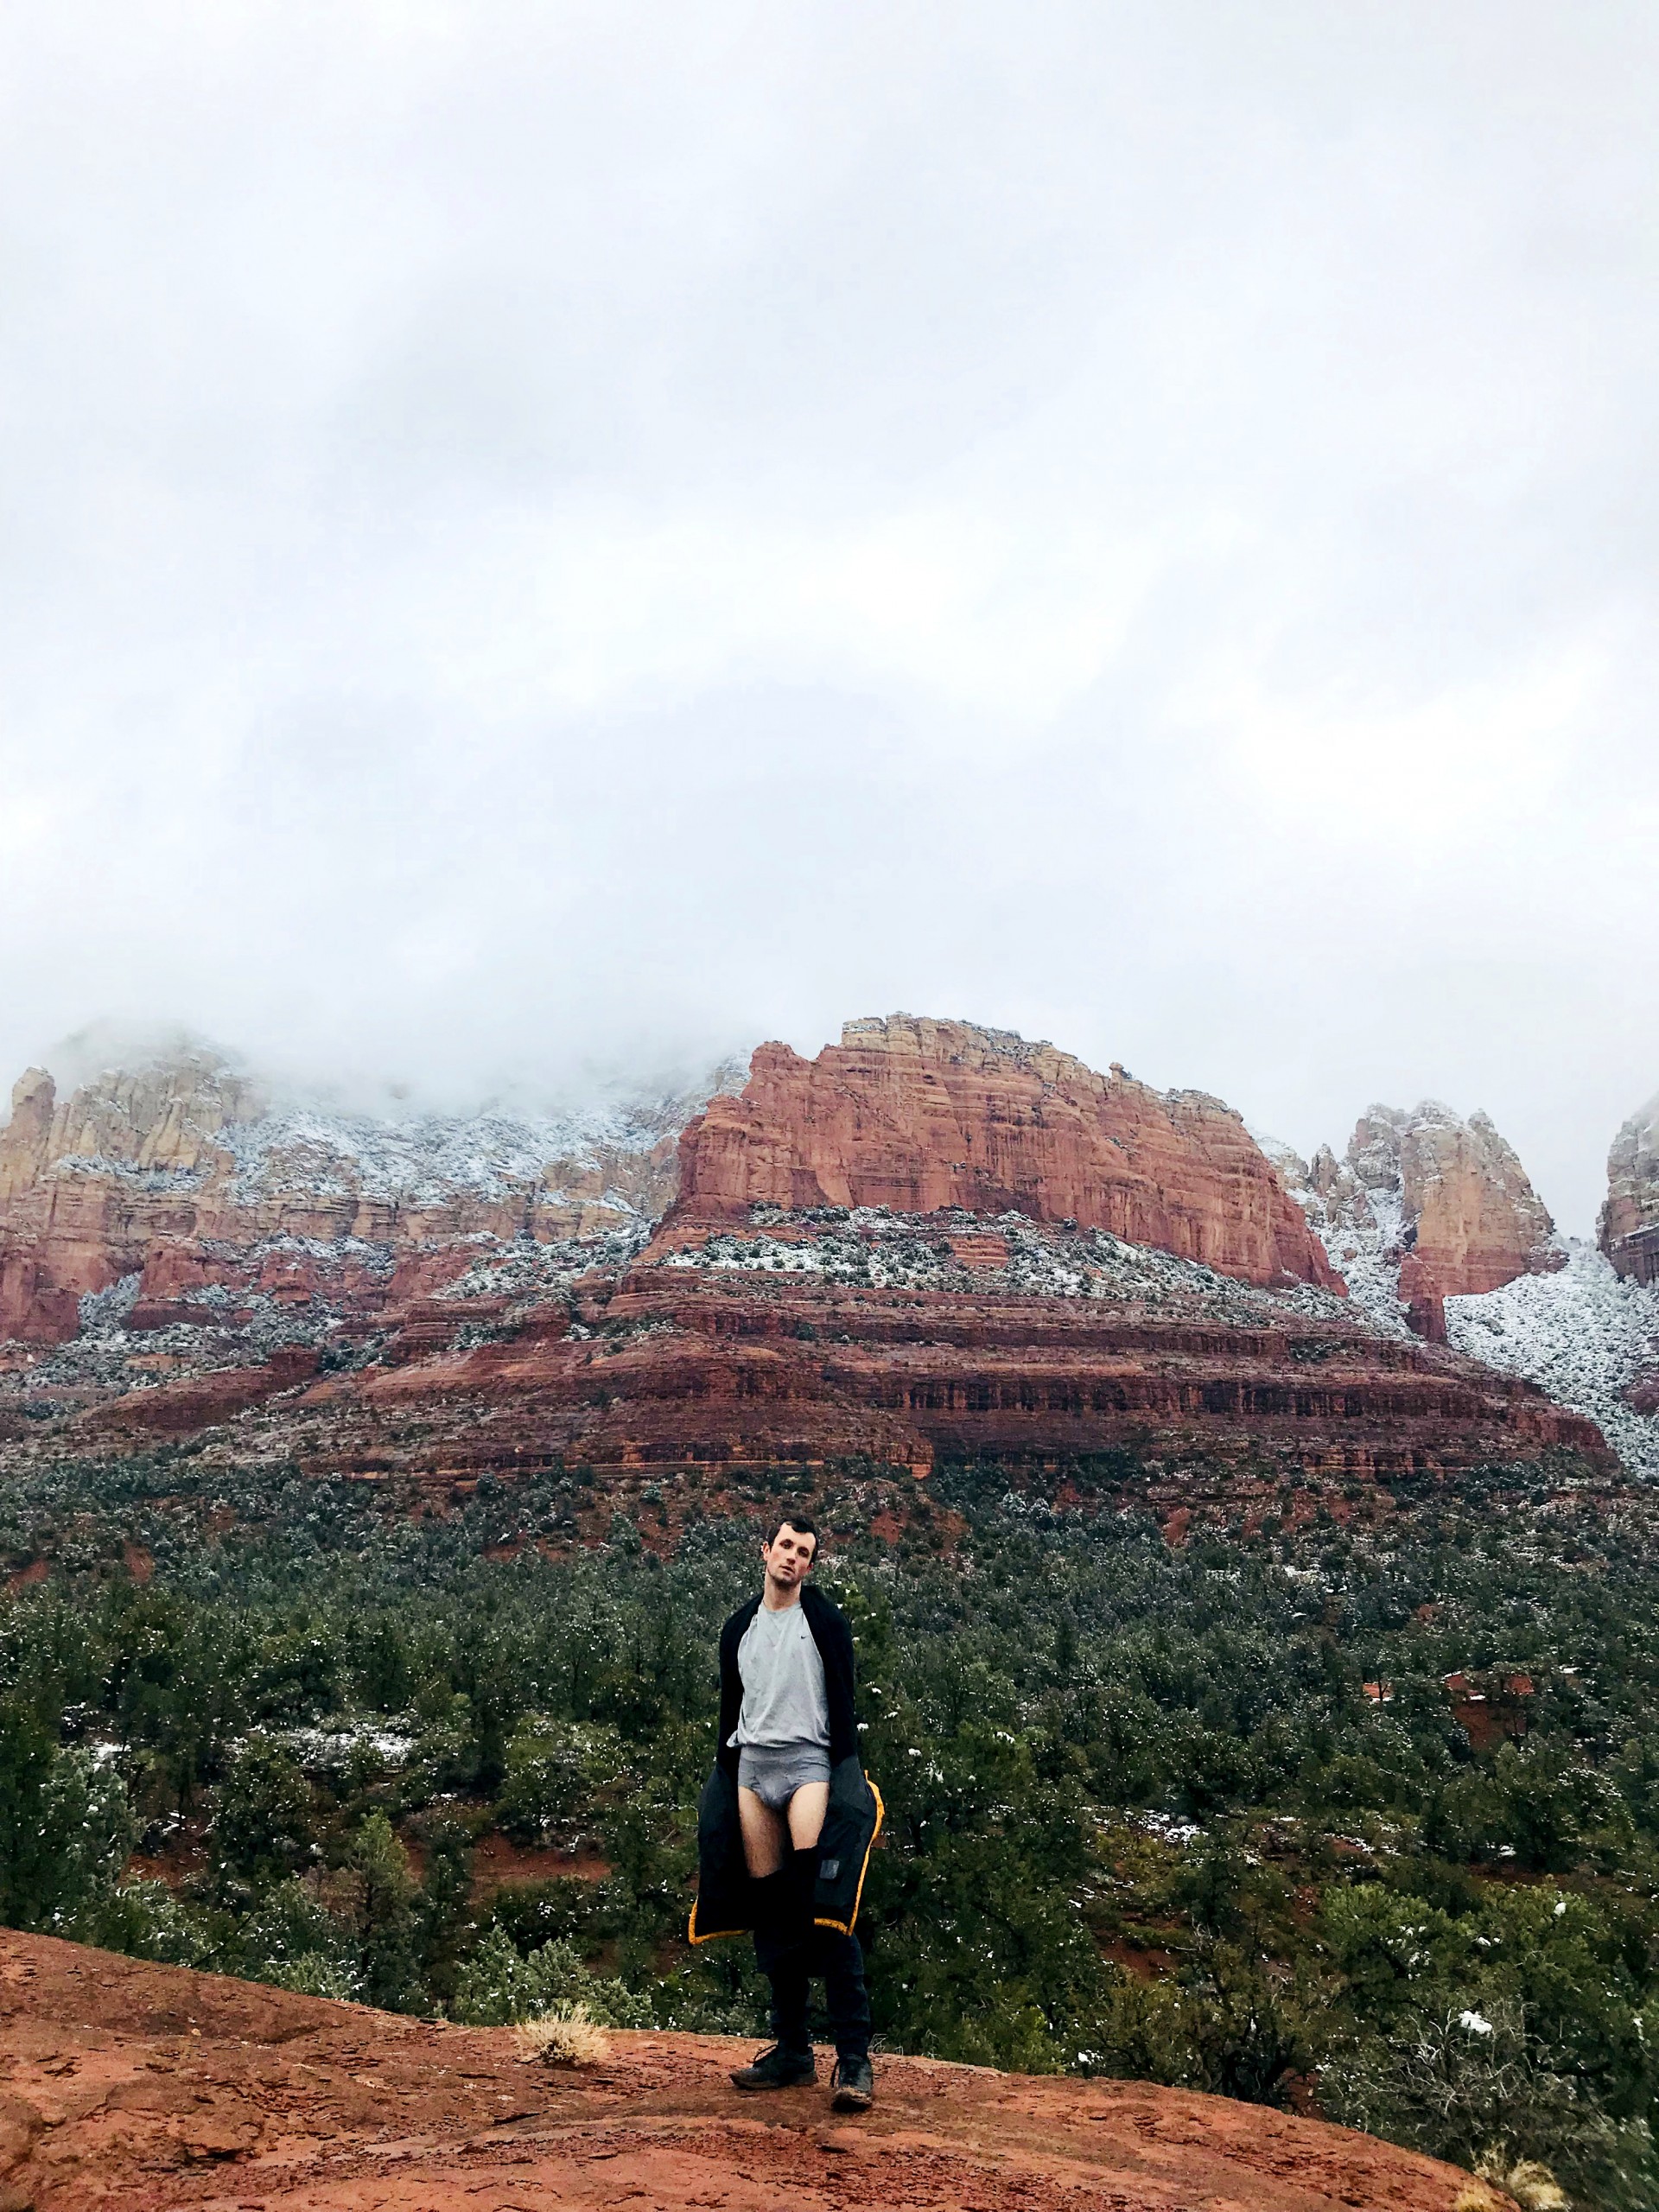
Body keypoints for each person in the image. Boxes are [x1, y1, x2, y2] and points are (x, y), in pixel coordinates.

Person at [688, 1513, 881, 2113]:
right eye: (786, 1546)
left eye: (804, 1551)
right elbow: (731, 1709)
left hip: (808, 1768)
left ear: (810, 1565)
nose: (792, 1557)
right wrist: (725, 1778)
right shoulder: (738, 1628)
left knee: (823, 1909)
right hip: (753, 1771)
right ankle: (794, 2050)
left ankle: (854, 2060)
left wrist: (848, 1778)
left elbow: (844, 1703)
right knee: (772, 1911)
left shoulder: (823, 1621)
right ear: (765, 1550)